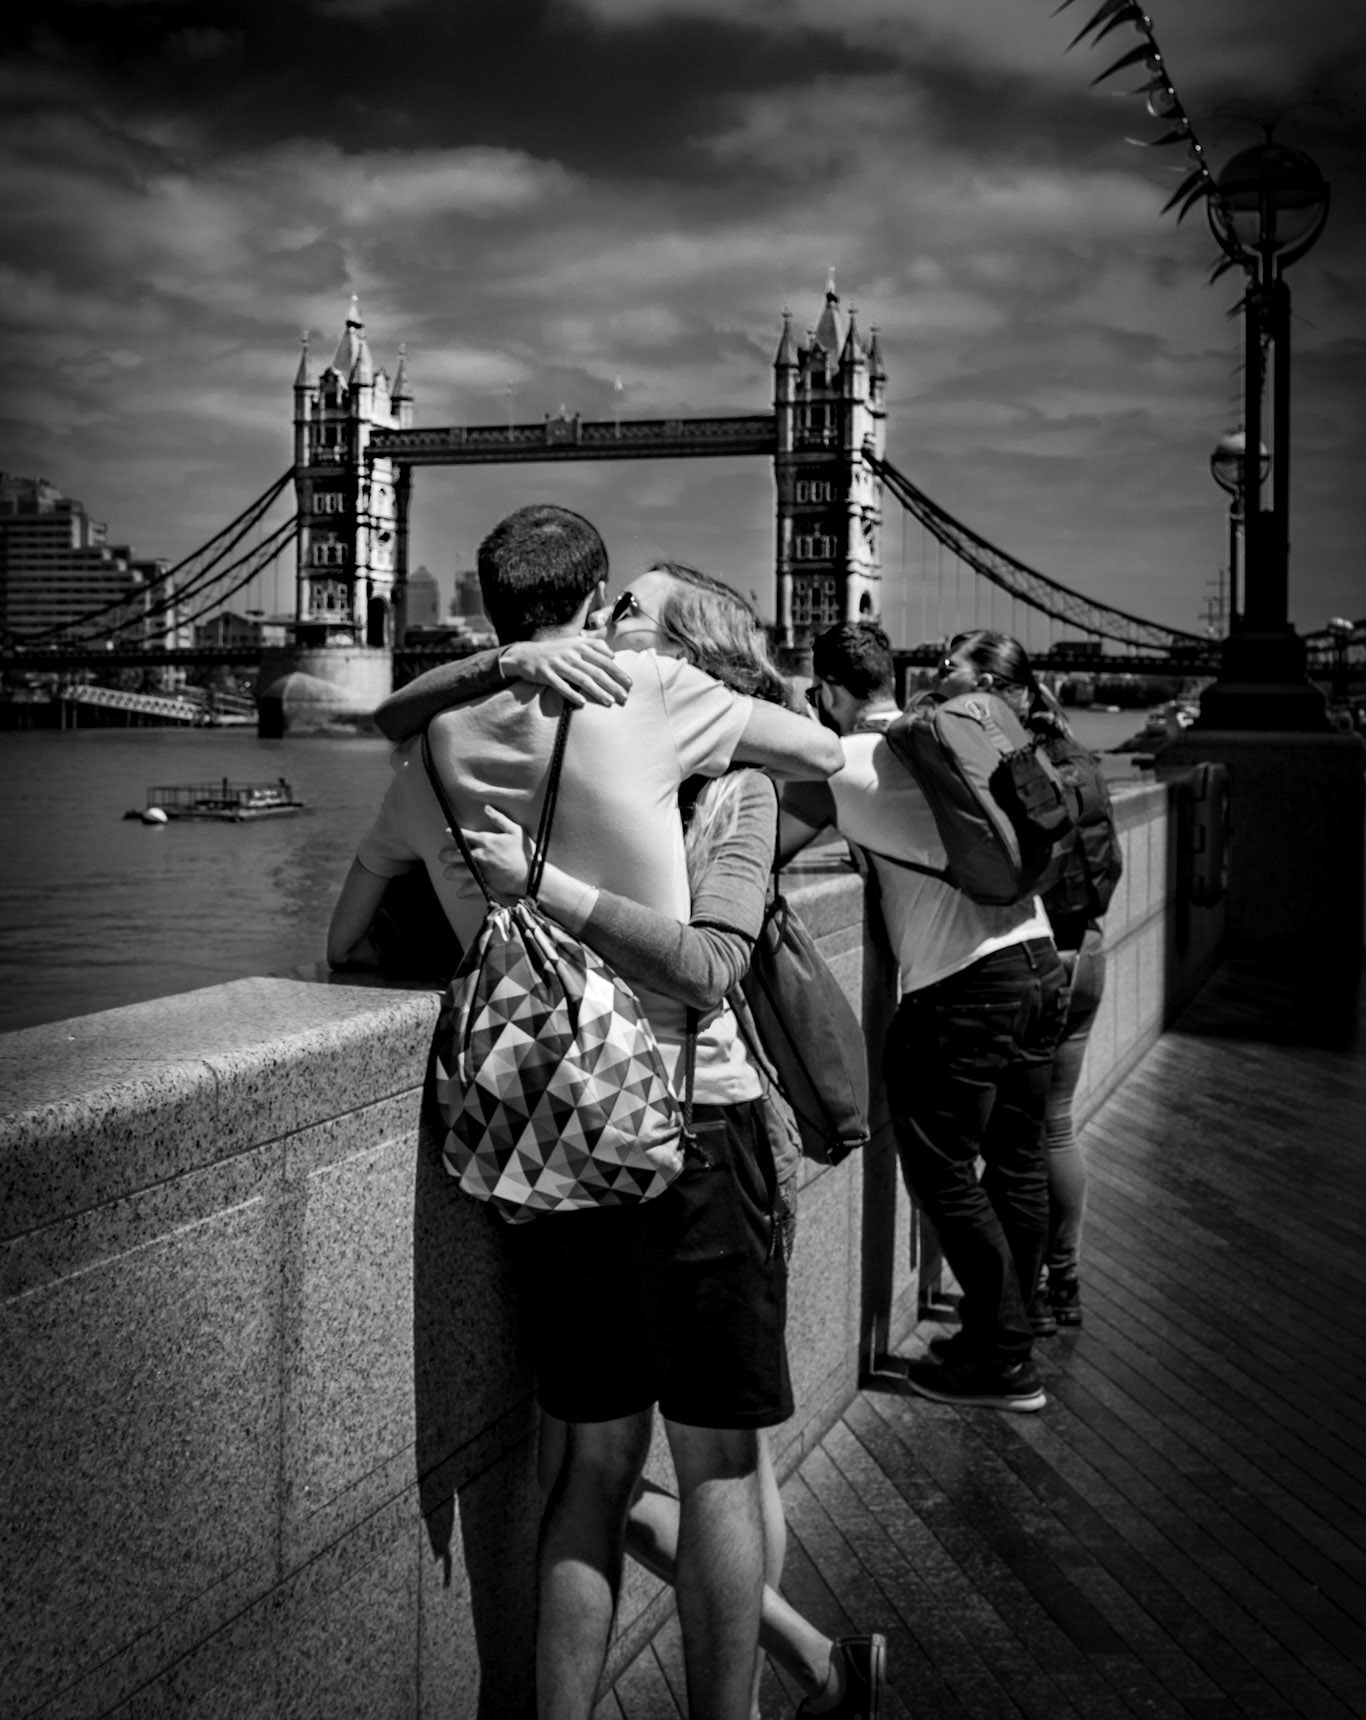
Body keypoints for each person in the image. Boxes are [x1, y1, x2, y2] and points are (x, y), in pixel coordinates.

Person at [327, 506, 845, 1720]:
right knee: (716, 1462)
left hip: (540, 1144)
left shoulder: (436, 745)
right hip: (688, 1121)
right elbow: (818, 748)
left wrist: (495, 673)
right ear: (597, 592)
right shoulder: (652, 690)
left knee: (590, 1469)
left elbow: (344, 936)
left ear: (492, 610)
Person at [780, 622, 1068, 1413]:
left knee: (944, 1172)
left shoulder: (842, 762)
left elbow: (768, 842)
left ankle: (1003, 1359)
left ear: (830, 690)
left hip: (963, 989)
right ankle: (1011, 1326)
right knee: (1016, 1160)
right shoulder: (936, 740)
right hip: (1039, 961)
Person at [946, 634, 1109, 1333]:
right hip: (1089, 950)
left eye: (951, 668)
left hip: (1043, 958)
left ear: (986, 681)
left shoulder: (1015, 761)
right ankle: (1063, 1281)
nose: (939, 677)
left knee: (1014, 1146)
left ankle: (1027, 1296)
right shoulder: (1074, 752)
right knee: (1054, 1129)